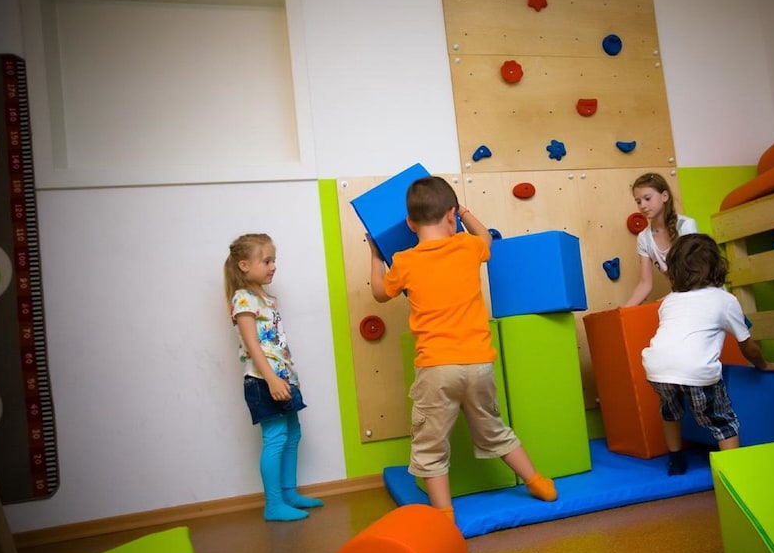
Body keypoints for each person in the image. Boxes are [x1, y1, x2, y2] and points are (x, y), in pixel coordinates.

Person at [367, 175, 557, 522]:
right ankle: (537, 482)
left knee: (430, 444)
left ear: (410, 224)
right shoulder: (468, 247)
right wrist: (465, 212)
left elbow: (380, 293)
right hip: (478, 363)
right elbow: (487, 238)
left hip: (437, 368)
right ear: (451, 216)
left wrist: (376, 256)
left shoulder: (404, 261)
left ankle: (443, 514)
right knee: (494, 429)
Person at [640, 234, 774, 475]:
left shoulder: (669, 301)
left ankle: (675, 460)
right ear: (717, 266)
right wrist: (763, 364)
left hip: (657, 369)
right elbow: (748, 346)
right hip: (696, 370)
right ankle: (734, 472)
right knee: (722, 420)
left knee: (670, 410)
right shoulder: (725, 300)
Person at [224, 233, 323, 522]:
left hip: (281, 377)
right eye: (266, 261)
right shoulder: (243, 298)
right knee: (276, 438)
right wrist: (271, 380)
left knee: (293, 434)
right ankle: (274, 504)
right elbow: (252, 344)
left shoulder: (264, 298)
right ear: (244, 265)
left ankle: (289, 493)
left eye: (273, 260)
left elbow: (276, 344)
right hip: (262, 380)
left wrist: (289, 377)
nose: (273, 266)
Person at [623, 172, 698, 307]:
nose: (642, 205)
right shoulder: (644, 238)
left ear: (664, 196)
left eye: (647, 198)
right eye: (638, 202)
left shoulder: (686, 226)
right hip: (682, 299)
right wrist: (624, 311)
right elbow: (645, 284)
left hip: (704, 293)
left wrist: (669, 298)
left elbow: (696, 274)